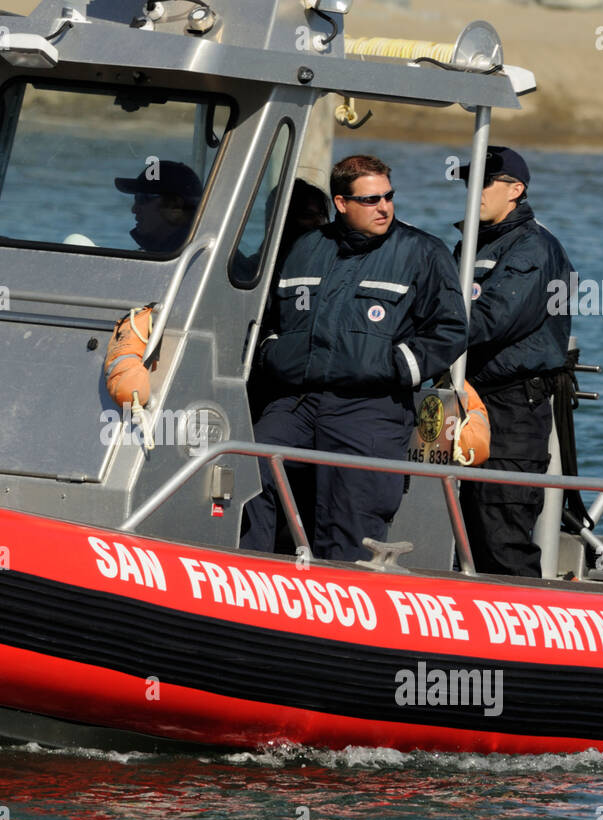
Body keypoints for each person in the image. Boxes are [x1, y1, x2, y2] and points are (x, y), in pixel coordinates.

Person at [241, 154, 467, 562]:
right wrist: (275, 354)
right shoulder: (305, 248)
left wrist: (394, 367)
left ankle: (344, 596)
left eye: (388, 197)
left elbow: (449, 331)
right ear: (342, 203)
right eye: (370, 200)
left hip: (370, 407)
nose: (384, 207)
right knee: (249, 469)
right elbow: (271, 318)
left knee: (351, 516)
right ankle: (250, 578)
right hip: (298, 402)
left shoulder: (423, 252)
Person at [453, 146, 573, 577]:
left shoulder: (533, 249)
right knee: (457, 528)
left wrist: (420, 333)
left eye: (485, 182)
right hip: (467, 402)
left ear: (515, 190)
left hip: (512, 411)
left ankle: (529, 631)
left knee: (500, 534)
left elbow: (490, 318)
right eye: (470, 181)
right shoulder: (473, 244)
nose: (474, 190)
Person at [114, 160, 203, 253]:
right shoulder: (170, 256)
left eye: (142, 198)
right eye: (136, 197)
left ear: (175, 207)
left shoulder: (189, 260)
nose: (134, 209)